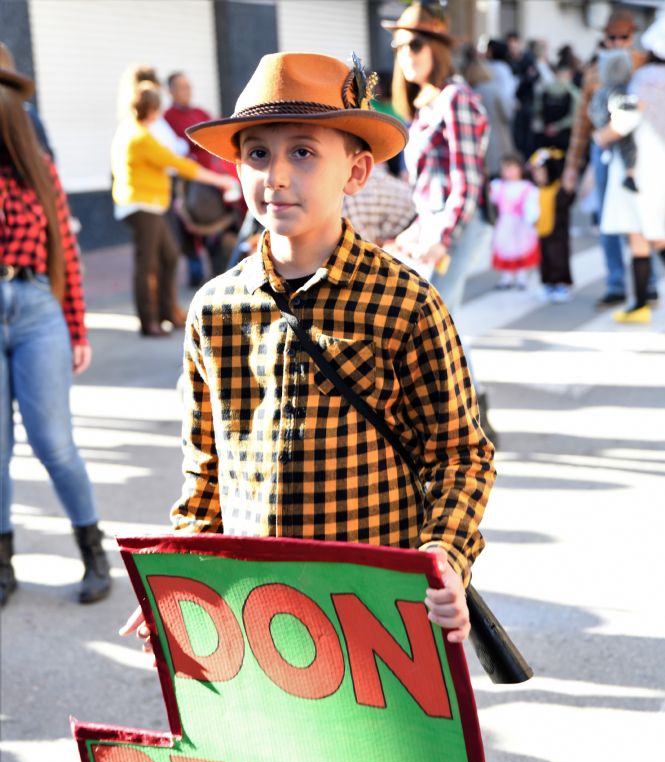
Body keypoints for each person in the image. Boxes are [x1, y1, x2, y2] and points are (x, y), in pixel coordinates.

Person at [120, 49, 497, 653]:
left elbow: (461, 456)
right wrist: (182, 575)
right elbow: (205, 469)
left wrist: (444, 555)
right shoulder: (214, 310)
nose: (275, 175)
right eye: (257, 153)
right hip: (258, 613)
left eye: (303, 151)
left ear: (356, 171)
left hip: (378, 610)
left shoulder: (406, 302)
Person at [0, 44, 111, 607]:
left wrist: (78, 328)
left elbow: (64, 250)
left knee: (54, 443)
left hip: (37, 308)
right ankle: (3, 565)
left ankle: (93, 551)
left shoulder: (36, 168)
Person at [382, 2, 498, 445]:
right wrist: (411, 233)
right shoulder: (423, 105)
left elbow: (467, 183)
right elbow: (421, 190)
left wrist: (442, 239)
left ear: (437, 47)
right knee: (436, 322)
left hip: (457, 226)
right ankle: (468, 415)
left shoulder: (457, 99)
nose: (406, 54)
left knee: (439, 322)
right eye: (398, 46)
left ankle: (472, 419)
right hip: (430, 224)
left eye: (415, 44)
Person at [110, 82, 236, 336]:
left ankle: (166, 311)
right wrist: (221, 180)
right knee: (147, 264)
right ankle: (149, 322)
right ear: (152, 109)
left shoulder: (132, 129)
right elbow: (178, 164)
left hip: (149, 205)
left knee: (168, 257)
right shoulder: (140, 137)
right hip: (141, 205)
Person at [563, 7, 659, 308]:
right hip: (605, 150)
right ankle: (617, 283)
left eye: (623, 36)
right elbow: (582, 122)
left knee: (646, 220)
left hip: (641, 151)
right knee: (610, 219)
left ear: (633, 37)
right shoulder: (594, 70)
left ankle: (649, 286)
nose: (617, 42)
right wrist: (572, 166)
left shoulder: (645, 67)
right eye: (611, 37)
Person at [594, 13, 665, 324]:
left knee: (644, 234)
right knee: (648, 234)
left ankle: (638, 305)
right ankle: (638, 303)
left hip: (642, 164)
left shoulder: (648, 77)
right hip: (652, 161)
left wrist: (603, 135)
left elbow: (628, 117)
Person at [164, 71, 244, 284]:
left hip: (214, 179)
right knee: (188, 232)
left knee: (218, 230)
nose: (186, 91)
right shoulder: (166, 118)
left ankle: (221, 271)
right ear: (170, 91)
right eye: (181, 87)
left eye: (188, 86)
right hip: (188, 182)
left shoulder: (200, 113)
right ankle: (195, 272)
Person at [588, 48, 639, 192]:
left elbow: (591, 110)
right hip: (612, 129)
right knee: (628, 148)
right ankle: (629, 175)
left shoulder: (600, 90)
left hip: (601, 133)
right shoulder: (618, 90)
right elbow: (622, 109)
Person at [528, 147, 575, 302]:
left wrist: (568, 187)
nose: (537, 175)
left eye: (541, 171)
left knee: (558, 257)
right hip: (541, 231)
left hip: (558, 233)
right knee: (544, 259)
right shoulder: (537, 190)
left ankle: (561, 284)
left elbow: (567, 200)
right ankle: (548, 283)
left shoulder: (557, 189)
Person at [462, 45, 516, 179]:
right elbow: (508, 114)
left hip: (477, 144)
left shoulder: (467, 93)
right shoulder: (494, 90)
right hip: (499, 139)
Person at [489, 152, 540, 290]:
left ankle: (521, 277)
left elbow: (532, 205)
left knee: (520, 250)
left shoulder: (527, 188)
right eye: (505, 168)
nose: (509, 172)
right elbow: (490, 198)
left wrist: (532, 219)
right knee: (506, 250)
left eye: (512, 168)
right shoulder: (498, 186)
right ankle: (506, 277)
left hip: (521, 224)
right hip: (505, 223)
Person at [532, 61, 580, 152]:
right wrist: (556, 127)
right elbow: (575, 116)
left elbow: (537, 111)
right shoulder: (574, 93)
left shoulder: (545, 90)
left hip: (553, 135)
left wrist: (553, 127)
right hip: (559, 137)